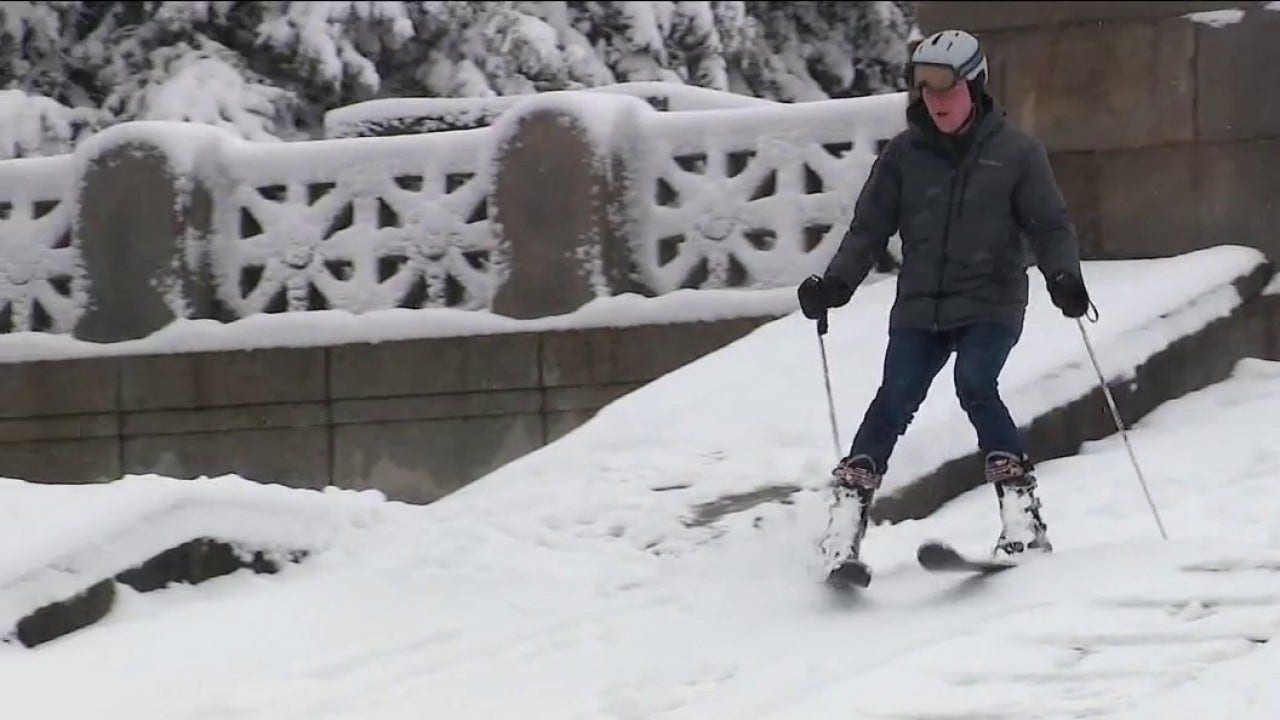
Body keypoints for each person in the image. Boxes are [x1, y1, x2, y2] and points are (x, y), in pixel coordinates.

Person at [797, 29, 1092, 574]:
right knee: (896, 396)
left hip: (991, 301)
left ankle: (1022, 521)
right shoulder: (904, 157)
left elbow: (1050, 227)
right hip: (921, 306)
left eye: (946, 88)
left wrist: (1063, 277)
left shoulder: (1016, 155)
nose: (935, 101)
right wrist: (835, 285)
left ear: (974, 87)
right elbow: (868, 230)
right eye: (923, 89)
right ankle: (843, 528)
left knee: (975, 384)